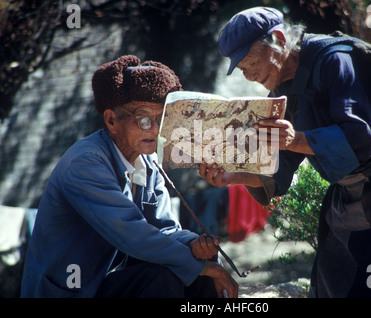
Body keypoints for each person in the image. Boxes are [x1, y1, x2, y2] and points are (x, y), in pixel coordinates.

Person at [199, 7, 371, 297]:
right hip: (356, 188)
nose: (251, 75)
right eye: (243, 69)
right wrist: (233, 176)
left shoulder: (336, 60)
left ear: (279, 39)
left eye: (252, 62)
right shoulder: (281, 93)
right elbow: (277, 168)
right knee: (337, 277)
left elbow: (361, 137)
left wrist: (296, 139)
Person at [21, 55, 238, 298]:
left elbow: (163, 229)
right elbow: (131, 233)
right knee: (181, 272)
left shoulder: (147, 161)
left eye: (161, 119)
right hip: (71, 290)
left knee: (198, 259)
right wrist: (204, 268)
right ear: (112, 120)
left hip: (105, 283)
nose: (155, 130)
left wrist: (193, 244)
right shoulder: (84, 163)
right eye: (144, 119)